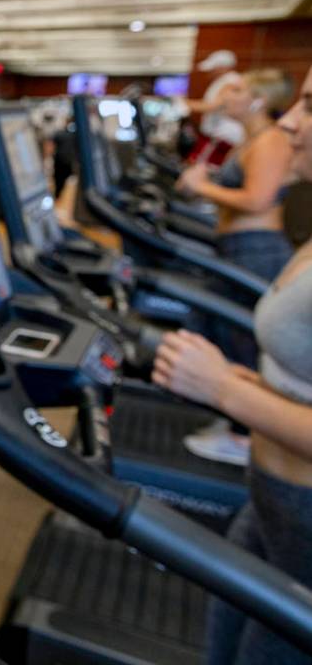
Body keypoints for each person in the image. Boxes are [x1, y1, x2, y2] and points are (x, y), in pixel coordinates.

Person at [153, 65, 312, 664]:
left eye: (311, 106)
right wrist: (254, 380)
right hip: (272, 501)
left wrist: (225, 391)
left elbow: (253, 199)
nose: (291, 122)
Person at [177, 69, 294, 464]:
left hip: (256, 249)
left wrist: (202, 187)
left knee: (243, 338)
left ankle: (245, 436)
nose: (229, 94)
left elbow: (257, 199)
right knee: (221, 330)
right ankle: (236, 425)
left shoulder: (271, 139)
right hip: (235, 245)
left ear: (259, 100)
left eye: (240, 89)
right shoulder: (250, 140)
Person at [181, 50, 245, 165]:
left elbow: (213, 106)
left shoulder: (231, 82)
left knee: (198, 165)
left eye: (213, 68)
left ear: (222, 67)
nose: (210, 72)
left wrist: (183, 103)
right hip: (215, 135)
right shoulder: (224, 81)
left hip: (222, 135)